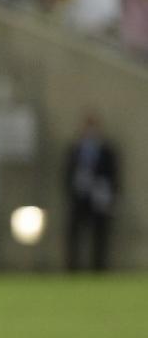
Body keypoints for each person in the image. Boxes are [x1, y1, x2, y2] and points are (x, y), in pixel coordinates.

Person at [65, 112, 120, 271]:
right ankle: (72, 268)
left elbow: (113, 174)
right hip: (79, 197)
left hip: (99, 198)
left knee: (100, 234)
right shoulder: (74, 150)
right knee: (74, 233)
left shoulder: (107, 151)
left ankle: (99, 268)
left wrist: (110, 196)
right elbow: (66, 173)